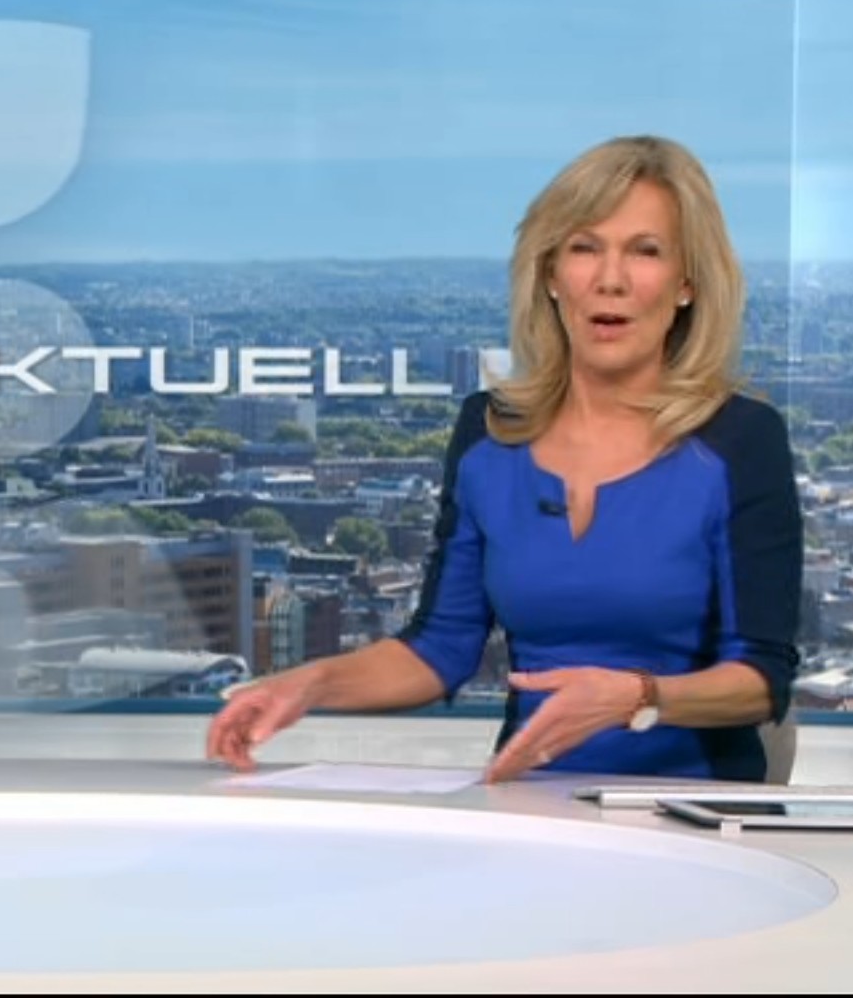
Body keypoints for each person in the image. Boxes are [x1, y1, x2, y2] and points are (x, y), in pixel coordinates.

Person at [208, 135, 800, 783]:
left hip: (693, 808)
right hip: (527, 801)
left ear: (686, 283)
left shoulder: (741, 439)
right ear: (550, 275)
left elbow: (762, 677)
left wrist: (639, 697)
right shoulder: (489, 434)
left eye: (645, 251)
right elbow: (440, 648)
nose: (611, 279)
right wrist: (307, 685)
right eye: (584, 248)